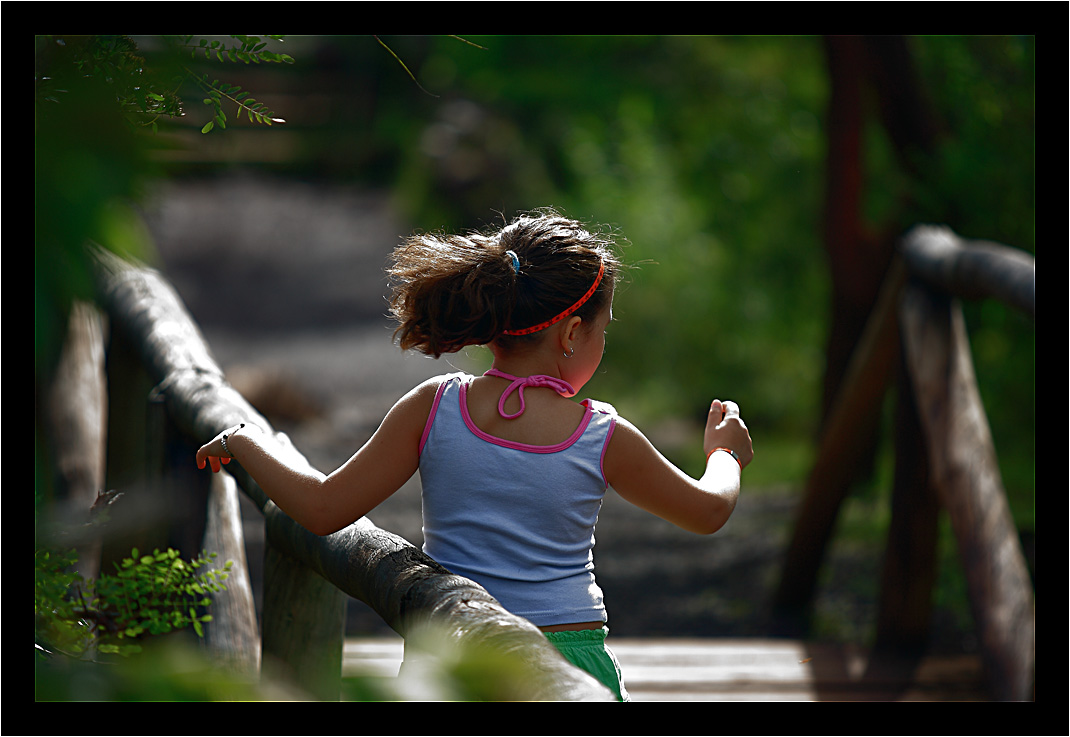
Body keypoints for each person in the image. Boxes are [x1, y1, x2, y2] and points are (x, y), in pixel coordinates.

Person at [196, 209, 753, 701]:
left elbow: (320, 508)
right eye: (603, 331)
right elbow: (707, 511)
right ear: (572, 333)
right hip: (566, 658)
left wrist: (250, 442)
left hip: (451, 655)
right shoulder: (600, 434)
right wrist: (724, 454)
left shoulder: (433, 407)